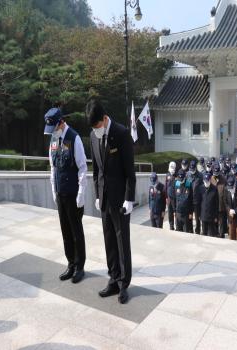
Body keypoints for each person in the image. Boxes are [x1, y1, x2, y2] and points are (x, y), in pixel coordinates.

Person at [87, 99, 136, 304]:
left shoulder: (122, 133)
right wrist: (97, 195)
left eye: (98, 126)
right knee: (109, 240)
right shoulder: (92, 135)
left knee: (121, 241)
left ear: (105, 119)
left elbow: (129, 171)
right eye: (93, 128)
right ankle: (113, 278)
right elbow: (97, 169)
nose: (96, 130)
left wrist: (129, 199)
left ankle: (124, 283)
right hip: (105, 198)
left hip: (120, 199)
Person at [45, 107, 87, 284]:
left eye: (54, 127)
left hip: (72, 194)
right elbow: (53, 167)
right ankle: (70, 263)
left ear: (61, 122)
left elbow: (83, 167)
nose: (52, 131)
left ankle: (80, 266)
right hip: (61, 193)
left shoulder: (74, 138)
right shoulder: (54, 139)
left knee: (76, 232)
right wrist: (54, 190)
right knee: (65, 231)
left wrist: (81, 192)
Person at [224, 176, 237, 241]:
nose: (230, 189)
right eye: (229, 188)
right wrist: (229, 210)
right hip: (231, 217)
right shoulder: (226, 190)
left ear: (234, 185)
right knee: (231, 236)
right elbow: (225, 201)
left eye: (232, 188)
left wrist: (235, 211)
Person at [200, 172, 219, 237]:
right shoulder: (201, 188)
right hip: (203, 215)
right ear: (203, 181)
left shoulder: (214, 189)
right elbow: (199, 203)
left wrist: (216, 216)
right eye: (205, 181)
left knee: (211, 235)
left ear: (210, 180)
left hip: (211, 216)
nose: (206, 183)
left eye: (207, 181)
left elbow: (216, 204)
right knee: (204, 234)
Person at [187, 160, 203, 234]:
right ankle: (190, 230)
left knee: (197, 218)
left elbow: (203, 188)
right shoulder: (187, 174)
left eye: (193, 169)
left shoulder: (200, 175)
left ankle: (197, 230)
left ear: (195, 168)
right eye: (191, 169)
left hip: (197, 200)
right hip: (189, 199)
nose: (192, 170)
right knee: (189, 216)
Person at [213, 163, 227, 238]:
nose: (216, 175)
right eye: (215, 173)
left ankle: (221, 235)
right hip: (213, 205)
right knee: (214, 221)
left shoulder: (223, 179)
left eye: (217, 173)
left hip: (221, 205)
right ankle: (215, 233)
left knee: (221, 221)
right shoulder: (211, 179)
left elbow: (226, 192)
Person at [165, 161, 177, 230]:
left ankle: (177, 224)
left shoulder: (177, 175)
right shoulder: (167, 175)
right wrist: (166, 197)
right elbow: (166, 186)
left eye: (173, 167)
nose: (172, 168)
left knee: (176, 212)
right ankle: (171, 225)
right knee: (170, 212)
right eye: (171, 166)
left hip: (175, 197)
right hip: (169, 197)